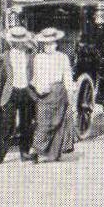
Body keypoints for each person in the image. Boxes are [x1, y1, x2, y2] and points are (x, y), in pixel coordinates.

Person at [30, 27, 77, 162]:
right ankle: (36, 149)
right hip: (43, 94)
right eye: (45, 44)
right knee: (43, 122)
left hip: (58, 92)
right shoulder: (38, 58)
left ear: (56, 43)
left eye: (50, 43)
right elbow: (35, 77)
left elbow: (67, 78)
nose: (48, 46)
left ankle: (54, 153)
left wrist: (70, 97)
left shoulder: (63, 58)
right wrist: (39, 88)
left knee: (58, 122)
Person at [0, 24, 36, 163]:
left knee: (26, 125)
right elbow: (1, 79)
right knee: (6, 124)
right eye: (16, 41)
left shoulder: (31, 56)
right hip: (10, 93)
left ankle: (25, 152)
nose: (18, 44)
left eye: (21, 41)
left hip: (26, 92)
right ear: (12, 42)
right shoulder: (5, 56)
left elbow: (36, 74)